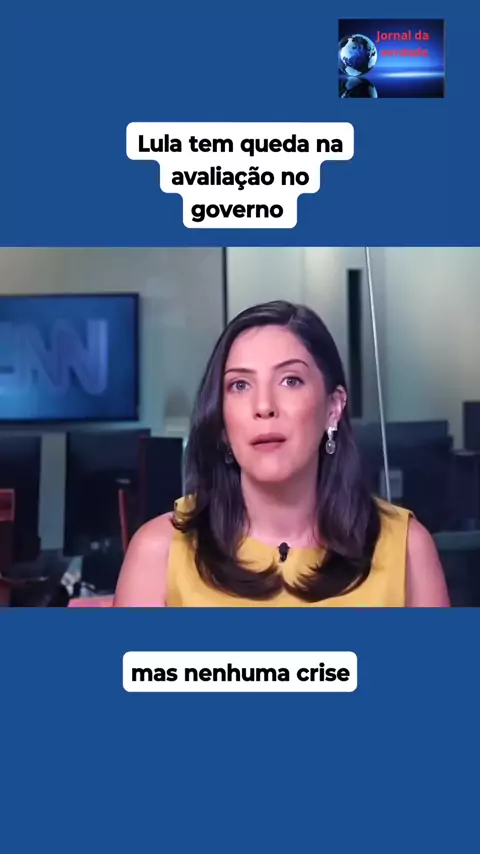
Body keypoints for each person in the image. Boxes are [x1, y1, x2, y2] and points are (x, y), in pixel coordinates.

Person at [114, 300, 450, 608]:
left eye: (290, 380)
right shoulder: (159, 552)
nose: (264, 406)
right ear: (221, 421)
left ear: (333, 408)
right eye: (240, 385)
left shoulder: (407, 549)